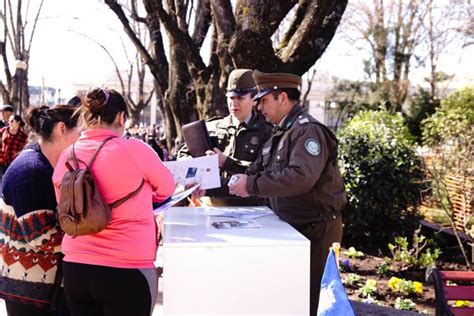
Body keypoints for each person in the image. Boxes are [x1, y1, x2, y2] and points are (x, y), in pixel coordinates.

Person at [228, 70, 347, 315]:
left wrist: (250, 185)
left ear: (282, 98)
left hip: (316, 231)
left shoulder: (308, 132)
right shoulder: (282, 132)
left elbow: (300, 178)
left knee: (312, 302)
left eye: (263, 100)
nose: (259, 107)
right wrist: (232, 170)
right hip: (295, 230)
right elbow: (260, 171)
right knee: (290, 300)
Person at [52, 88, 175, 316]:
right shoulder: (135, 150)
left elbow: (63, 201)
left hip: (76, 267)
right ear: (121, 117)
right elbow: (167, 188)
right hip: (127, 268)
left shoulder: (68, 155)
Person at [0, 104, 80, 316]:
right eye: (79, 132)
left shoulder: (44, 165)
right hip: (30, 292)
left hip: (40, 287)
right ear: (62, 129)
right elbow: (43, 237)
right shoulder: (30, 172)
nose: (83, 139)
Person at [180, 69, 272, 206]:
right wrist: (194, 167)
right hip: (209, 206)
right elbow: (184, 153)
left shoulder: (266, 132)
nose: (234, 103)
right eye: (231, 98)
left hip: (248, 208)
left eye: (240, 98)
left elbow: (263, 174)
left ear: (254, 100)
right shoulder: (211, 127)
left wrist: (226, 162)